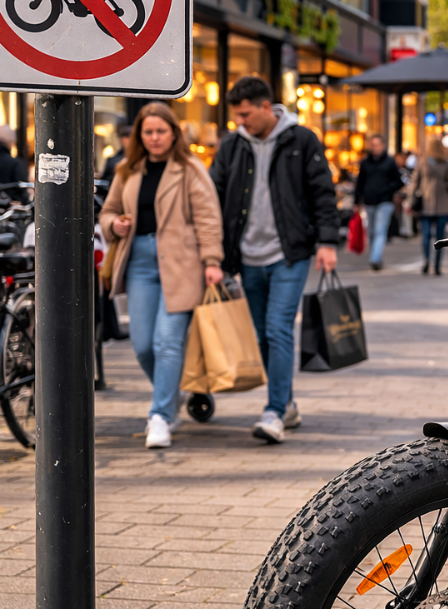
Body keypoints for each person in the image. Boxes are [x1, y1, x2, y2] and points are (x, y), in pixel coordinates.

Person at [210, 76, 340, 444]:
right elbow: (213, 195)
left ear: (267, 107)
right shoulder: (232, 145)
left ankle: (274, 412)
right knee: (263, 336)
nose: (241, 122)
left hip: (289, 253)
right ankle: (287, 403)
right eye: (237, 116)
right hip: (246, 256)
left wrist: (327, 242)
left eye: (246, 114)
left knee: (278, 328)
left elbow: (323, 193)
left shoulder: (301, 139)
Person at [101, 103, 224, 450]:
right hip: (139, 262)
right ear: (139, 136)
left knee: (167, 342)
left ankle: (160, 415)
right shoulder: (127, 170)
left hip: (182, 263)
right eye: (148, 132)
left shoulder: (190, 169)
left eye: (161, 131)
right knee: (142, 346)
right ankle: (172, 394)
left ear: (174, 134)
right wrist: (115, 224)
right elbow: (107, 211)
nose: (154, 138)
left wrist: (212, 260)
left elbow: (208, 218)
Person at [353, 135, 403, 271]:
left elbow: (398, 181)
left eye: (377, 144)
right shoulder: (365, 163)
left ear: (382, 145)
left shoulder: (389, 162)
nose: (375, 148)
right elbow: (360, 183)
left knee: (380, 230)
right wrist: (357, 201)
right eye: (373, 145)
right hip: (369, 201)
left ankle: (375, 258)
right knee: (371, 231)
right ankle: (375, 256)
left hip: (385, 201)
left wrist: (387, 189)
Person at [410, 136, 448, 275]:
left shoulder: (423, 161)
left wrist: (411, 199)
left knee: (425, 234)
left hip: (425, 202)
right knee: (440, 237)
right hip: (443, 203)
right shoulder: (446, 161)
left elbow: (414, 181)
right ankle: (437, 265)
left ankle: (426, 259)